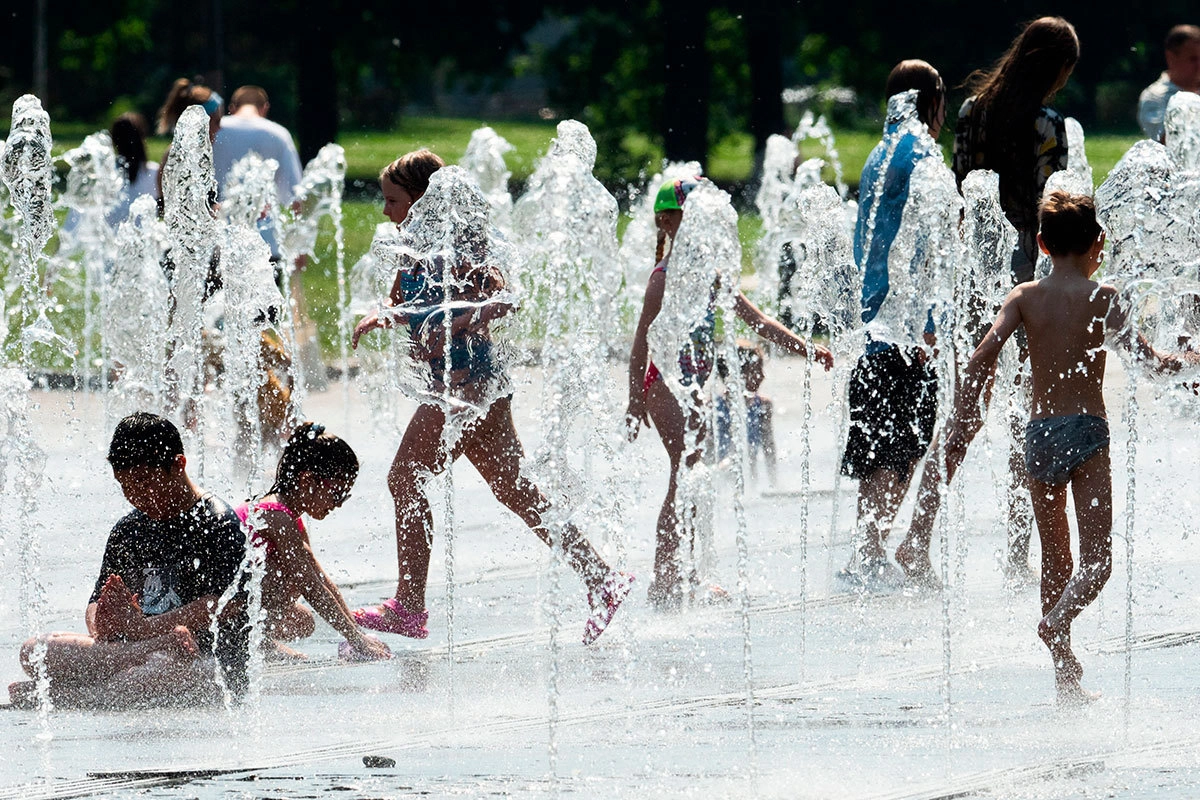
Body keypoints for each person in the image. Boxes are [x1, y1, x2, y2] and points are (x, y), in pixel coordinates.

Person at [351, 151, 632, 646]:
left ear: (420, 201)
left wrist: (460, 321)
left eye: (392, 200)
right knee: (519, 494)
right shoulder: (411, 249)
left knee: (404, 478)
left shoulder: (462, 247)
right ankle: (602, 579)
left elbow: (504, 299)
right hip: (470, 391)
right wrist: (384, 317)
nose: (384, 211)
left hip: (467, 389)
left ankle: (410, 607)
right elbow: (407, 305)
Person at [940, 192, 1192, 704]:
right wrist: (1191, 363)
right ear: (1098, 242)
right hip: (1087, 432)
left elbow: (983, 354)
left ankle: (1065, 678)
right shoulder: (1106, 296)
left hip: (1039, 436)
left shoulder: (1023, 296)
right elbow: (1148, 363)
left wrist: (962, 413)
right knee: (1096, 564)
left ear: (1040, 243)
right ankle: (1055, 625)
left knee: (1056, 560)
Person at [906, 17, 1080, 583]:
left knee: (966, 413)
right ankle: (1015, 551)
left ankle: (917, 536)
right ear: (1055, 68)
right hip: (1032, 272)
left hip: (980, 278)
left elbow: (959, 193)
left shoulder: (969, 112)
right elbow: (1057, 206)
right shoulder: (1048, 123)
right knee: (1033, 413)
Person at [626, 177, 833, 609]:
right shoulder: (662, 279)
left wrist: (806, 348)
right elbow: (641, 342)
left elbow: (758, 322)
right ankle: (666, 577)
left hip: (695, 386)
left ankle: (690, 574)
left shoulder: (710, 275)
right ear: (667, 221)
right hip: (663, 386)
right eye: (692, 216)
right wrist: (632, 400)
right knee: (682, 476)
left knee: (692, 478)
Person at [8, 413, 248, 709]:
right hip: (139, 649)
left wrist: (145, 629)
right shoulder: (129, 530)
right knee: (34, 650)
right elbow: (97, 601)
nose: (135, 495)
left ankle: (72, 697)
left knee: (145, 676)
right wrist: (102, 625)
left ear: (178, 464)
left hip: (201, 660)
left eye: (144, 481)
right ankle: (103, 683)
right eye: (125, 485)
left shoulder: (216, 523)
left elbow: (226, 602)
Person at [837, 61, 945, 589]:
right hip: (906, 325)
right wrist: (929, 323)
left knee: (883, 439)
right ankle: (872, 551)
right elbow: (925, 243)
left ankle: (867, 550)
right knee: (903, 440)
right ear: (935, 101)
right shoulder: (920, 151)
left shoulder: (881, 151)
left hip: (876, 317)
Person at [235, 422, 391, 662]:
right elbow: (310, 585)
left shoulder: (289, 517)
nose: (338, 504)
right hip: (221, 608)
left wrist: (356, 632)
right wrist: (357, 640)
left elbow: (319, 576)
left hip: (243, 606)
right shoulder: (275, 516)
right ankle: (240, 640)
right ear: (308, 481)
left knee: (302, 621)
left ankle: (256, 640)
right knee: (291, 576)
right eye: (337, 494)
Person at [212, 85, 305, 267]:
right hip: (266, 241)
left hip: (219, 240)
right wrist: (299, 247)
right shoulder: (278, 134)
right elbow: (297, 195)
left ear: (231, 107)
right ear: (265, 108)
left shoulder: (215, 130)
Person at [715, 341, 778, 485]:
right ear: (738, 374)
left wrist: (774, 483)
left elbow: (769, 448)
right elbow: (707, 453)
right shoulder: (714, 407)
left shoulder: (763, 405)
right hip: (722, 478)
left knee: (747, 458)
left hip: (750, 476)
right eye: (757, 370)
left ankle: (752, 491)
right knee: (730, 463)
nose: (762, 376)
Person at [1138, 25, 1200, 143]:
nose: (1199, 65)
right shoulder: (1156, 97)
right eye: (1193, 59)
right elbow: (1165, 142)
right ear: (1170, 57)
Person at [107, 112, 160, 227]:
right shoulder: (154, 173)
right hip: (145, 242)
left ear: (113, 140)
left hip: (109, 242)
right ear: (142, 137)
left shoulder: (105, 173)